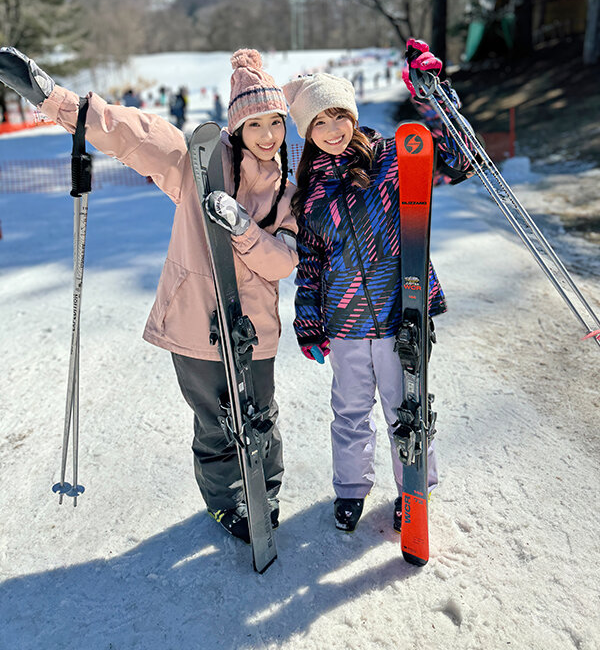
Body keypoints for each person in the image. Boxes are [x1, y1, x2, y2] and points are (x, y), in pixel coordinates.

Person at [0, 46, 298, 544]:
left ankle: (265, 491)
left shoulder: (289, 186)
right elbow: (130, 133)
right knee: (217, 422)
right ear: (235, 129)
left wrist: (243, 228)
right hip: (196, 322)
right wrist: (53, 99)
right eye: (255, 125)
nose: (267, 136)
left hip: (255, 326)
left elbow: (282, 262)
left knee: (261, 416)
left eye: (275, 123)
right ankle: (227, 503)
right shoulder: (196, 164)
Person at [282, 38, 473, 533]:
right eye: (318, 123)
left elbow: (459, 160)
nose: (331, 130)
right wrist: (308, 324)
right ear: (306, 132)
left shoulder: (392, 159)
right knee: (348, 412)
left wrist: (433, 98)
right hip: (344, 324)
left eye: (337, 117)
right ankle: (350, 489)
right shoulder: (310, 195)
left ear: (353, 113)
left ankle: (415, 490)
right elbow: (311, 265)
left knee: (405, 407)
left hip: (397, 316)